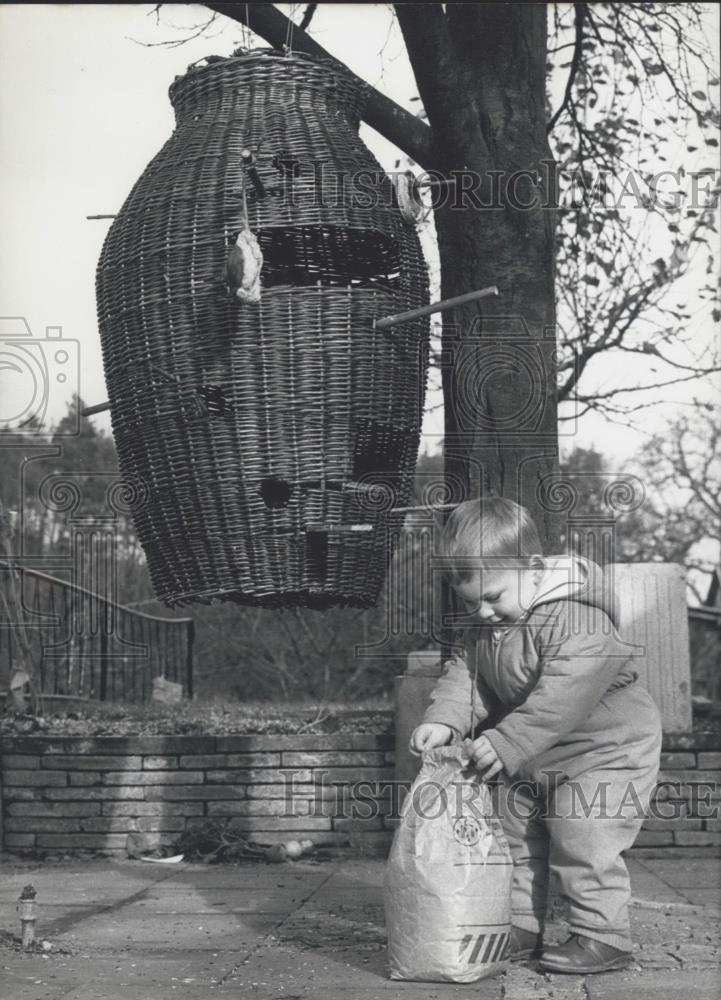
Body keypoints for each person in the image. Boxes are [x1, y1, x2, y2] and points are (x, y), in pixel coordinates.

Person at [410, 497, 662, 975]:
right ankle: (521, 925)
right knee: (513, 835)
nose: (481, 612)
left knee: (584, 832)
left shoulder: (579, 619)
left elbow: (562, 697)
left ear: (535, 568)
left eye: (493, 596)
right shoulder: (491, 627)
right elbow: (469, 676)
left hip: (606, 751)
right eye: (470, 601)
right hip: (535, 753)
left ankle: (602, 935)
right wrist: (444, 719)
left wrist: (505, 742)